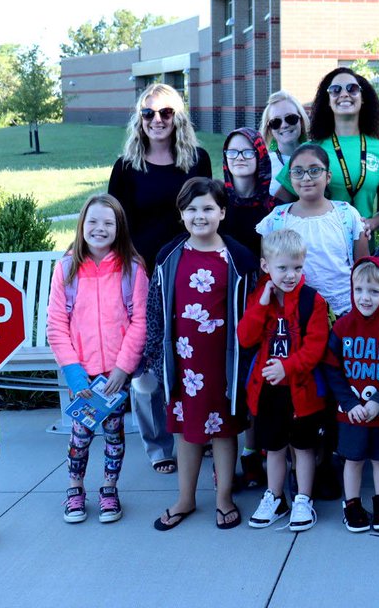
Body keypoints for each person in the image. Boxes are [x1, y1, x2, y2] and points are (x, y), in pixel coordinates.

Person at [108, 82, 212, 476]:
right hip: (142, 274)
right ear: (139, 118)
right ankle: (157, 445)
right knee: (146, 366)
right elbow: (116, 223)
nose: (157, 120)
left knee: (194, 354)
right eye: (149, 113)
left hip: (190, 271)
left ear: (178, 117)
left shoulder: (197, 160)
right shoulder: (126, 166)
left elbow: (207, 210)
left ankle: (197, 431)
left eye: (165, 113)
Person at [144, 178, 258, 530]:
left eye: (208, 208)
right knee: (186, 430)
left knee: (224, 431)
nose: (200, 215)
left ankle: (224, 496)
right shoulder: (169, 256)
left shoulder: (238, 258)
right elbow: (154, 309)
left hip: (224, 363)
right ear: (181, 214)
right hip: (183, 363)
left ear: (222, 212)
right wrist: (153, 354)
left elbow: (253, 310)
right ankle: (186, 498)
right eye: (191, 209)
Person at [46, 194, 149, 524]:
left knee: (115, 435)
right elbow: (56, 325)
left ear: (119, 228)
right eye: (92, 221)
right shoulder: (66, 270)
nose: (99, 228)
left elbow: (141, 322)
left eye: (108, 222)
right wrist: (74, 376)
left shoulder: (133, 271)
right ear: (81, 226)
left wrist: (123, 368)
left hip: (114, 377)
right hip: (83, 377)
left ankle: (109, 488)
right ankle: (75, 489)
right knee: (80, 435)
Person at [238, 229, 331, 532]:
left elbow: (315, 348)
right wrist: (262, 303)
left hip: (301, 390)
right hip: (268, 392)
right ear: (266, 266)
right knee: (274, 447)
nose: (291, 275)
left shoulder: (312, 301)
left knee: (303, 448)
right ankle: (275, 497)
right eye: (283, 268)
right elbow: (246, 337)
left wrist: (287, 368)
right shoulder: (260, 298)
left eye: (297, 267)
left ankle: (303, 498)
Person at [323, 257, 379, 533]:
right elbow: (331, 368)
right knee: (352, 461)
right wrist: (349, 403)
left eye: (374, 292)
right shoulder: (342, 326)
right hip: (351, 414)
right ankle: (351, 505)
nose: (365, 298)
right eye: (359, 290)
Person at [275, 67, 379, 234]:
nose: (344, 94)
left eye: (352, 89)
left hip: (361, 250)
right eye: (335, 90)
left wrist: (371, 224)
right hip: (318, 246)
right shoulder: (309, 150)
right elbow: (279, 203)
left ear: (363, 98)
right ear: (328, 100)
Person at [257, 144, 370, 315]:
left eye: (315, 170)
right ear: (290, 177)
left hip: (344, 313)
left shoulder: (347, 214)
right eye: (298, 172)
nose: (306, 177)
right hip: (294, 316)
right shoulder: (276, 219)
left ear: (328, 176)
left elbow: (364, 267)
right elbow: (266, 271)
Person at [221, 127, 277, 260]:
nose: (239, 158)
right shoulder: (216, 203)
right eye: (232, 152)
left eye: (247, 152)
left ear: (260, 155)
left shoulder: (274, 209)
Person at [260, 91, 310, 199]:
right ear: (269, 129)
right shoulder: (263, 165)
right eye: (276, 122)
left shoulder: (317, 157)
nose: (284, 125)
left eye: (290, 118)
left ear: (301, 121)